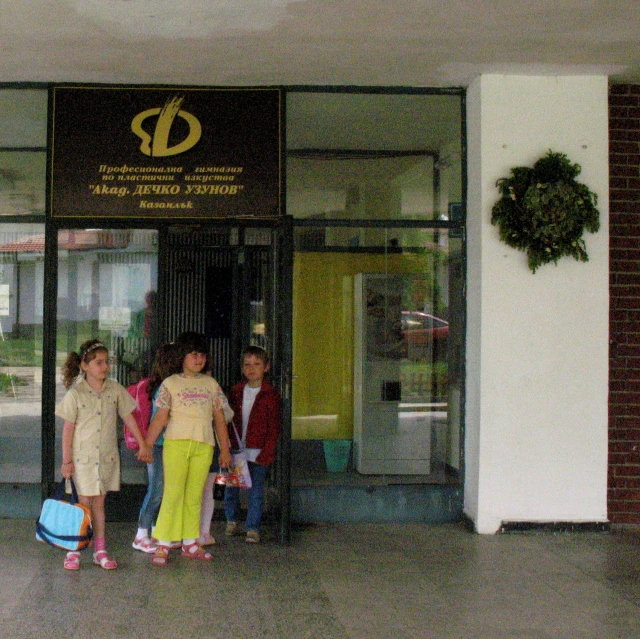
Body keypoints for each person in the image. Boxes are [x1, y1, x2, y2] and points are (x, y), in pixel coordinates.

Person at [56, 339, 151, 570]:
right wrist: (66, 460)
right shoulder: (76, 394)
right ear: (85, 366)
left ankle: (100, 550)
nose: (104, 367)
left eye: (106, 362)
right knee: (82, 504)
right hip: (82, 460)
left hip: (106, 458)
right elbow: (68, 430)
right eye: (98, 362)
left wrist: (143, 444)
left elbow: (129, 417)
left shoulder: (115, 389)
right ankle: (75, 549)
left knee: (99, 504)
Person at [144, 332, 232, 566]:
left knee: (195, 496)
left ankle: (191, 542)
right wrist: (147, 444)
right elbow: (160, 417)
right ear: (181, 356)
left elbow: (220, 419)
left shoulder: (211, 384)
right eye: (193, 354)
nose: (198, 359)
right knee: (172, 494)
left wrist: (225, 450)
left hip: (204, 446)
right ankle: (163, 543)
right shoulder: (170, 383)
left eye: (202, 354)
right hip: (175, 445)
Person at [224, 346, 282, 543]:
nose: (252, 369)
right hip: (237, 450)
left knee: (256, 491)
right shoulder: (236, 391)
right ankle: (232, 520)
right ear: (242, 369)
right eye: (247, 365)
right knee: (232, 487)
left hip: (259, 452)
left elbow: (274, 426)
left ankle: (252, 527)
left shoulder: (271, 394)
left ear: (266, 367)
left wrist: (268, 451)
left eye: (257, 364)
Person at [132, 342, 183, 553]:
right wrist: (149, 445)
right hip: (159, 445)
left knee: (163, 490)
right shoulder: (166, 387)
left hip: (164, 445)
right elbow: (159, 419)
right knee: (157, 490)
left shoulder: (159, 385)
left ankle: (157, 530)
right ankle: (141, 534)